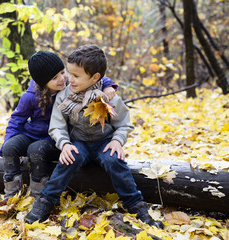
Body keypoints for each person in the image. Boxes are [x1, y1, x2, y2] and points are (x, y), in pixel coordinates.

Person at [24, 45, 163, 229]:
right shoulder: (64, 96)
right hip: (78, 142)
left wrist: (117, 141)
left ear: (96, 77)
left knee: (115, 161)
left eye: (75, 76)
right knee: (68, 160)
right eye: (69, 73)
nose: (68, 80)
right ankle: (45, 201)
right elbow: (57, 126)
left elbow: (124, 124)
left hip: (104, 143)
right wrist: (64, 144)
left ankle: (137, 206)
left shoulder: (109, 97)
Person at [0, 50, 119, 200]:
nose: (62, 79)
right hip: (32, 134)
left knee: (35, 150)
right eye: (55, 77)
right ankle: (11, 193)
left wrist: (108, 86)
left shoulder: (71, 85)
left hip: (54, 138)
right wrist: (7, 143)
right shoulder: (30, 97)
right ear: (42, 82)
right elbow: (16, 120)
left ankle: (37, 193)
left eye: (62, 72)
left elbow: (91, 76)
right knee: (10, 147)